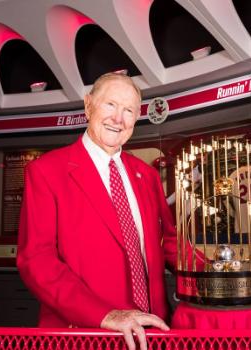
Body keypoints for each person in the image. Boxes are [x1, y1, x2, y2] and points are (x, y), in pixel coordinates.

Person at [17, 73, 177, 350]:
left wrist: (221, 272)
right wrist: (104, 315)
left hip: (151, 332)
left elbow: (170, 244)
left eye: (129, 110)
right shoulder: (46, 172)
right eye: (110, 105)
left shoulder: (147, 176)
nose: (119, 119)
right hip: (85, 334)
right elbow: (37, 260)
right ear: (88, 105)